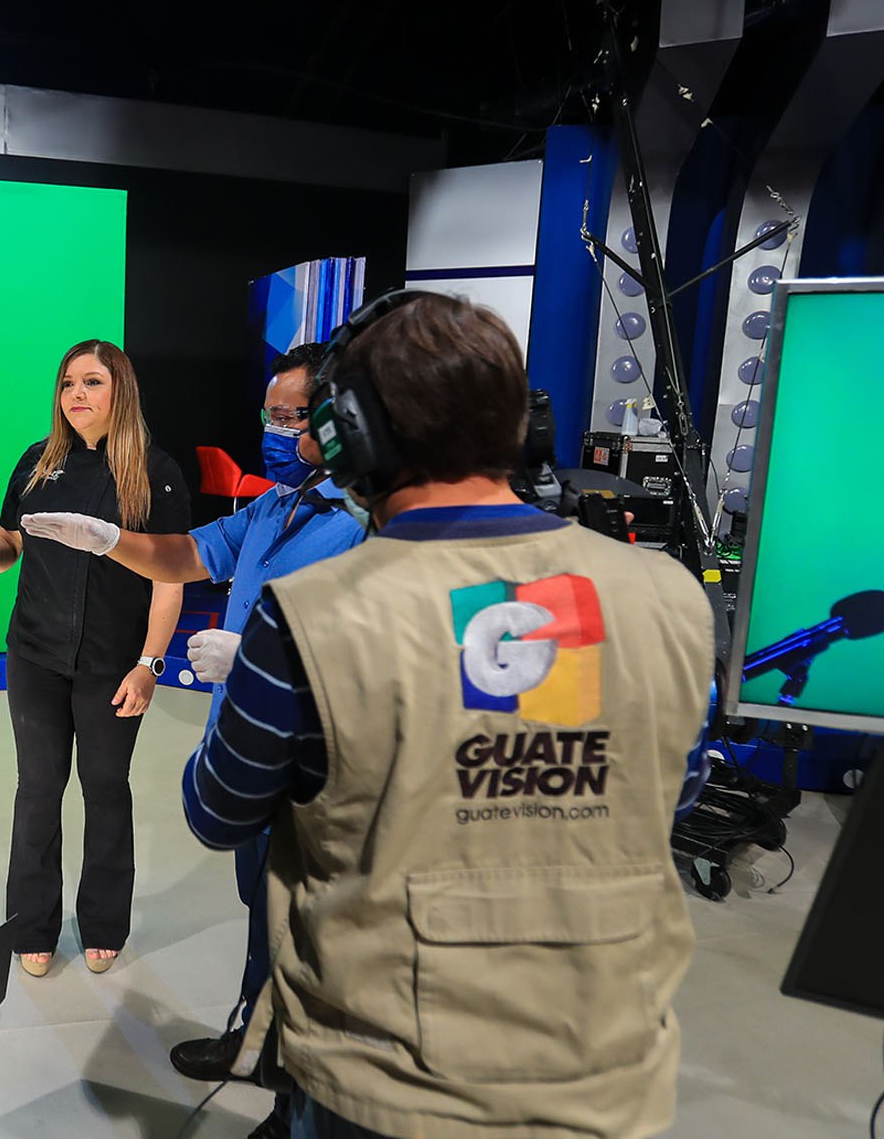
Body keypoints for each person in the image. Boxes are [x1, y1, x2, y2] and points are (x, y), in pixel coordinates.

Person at [182, 290, 713, 1139]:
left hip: (386, 1086)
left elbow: (218, 810)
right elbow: (670, 798)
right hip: (605, 1070)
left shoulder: (310, 615)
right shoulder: (669, 598)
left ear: (353, 432)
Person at [21, 342, 364, 1139]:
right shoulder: (280, 505)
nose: (277, 431)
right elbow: (189, 553)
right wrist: (110, 540)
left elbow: (395, 654)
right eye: (269, 415)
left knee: (317, 932)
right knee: (263, 911)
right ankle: (254, 1040)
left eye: (293, 417)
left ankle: (308, 1091)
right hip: (250, 751)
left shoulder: (371, 525)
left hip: (324, 767)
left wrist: (268, 660)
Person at [0, 340, 188, 978]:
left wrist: (150, 664)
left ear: (121, 392)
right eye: (68, 384)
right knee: (38, 789)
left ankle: (104, 923)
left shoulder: (155, 473)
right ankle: (32, 927)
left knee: (106, 790)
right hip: (34, 655)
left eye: (92, 383)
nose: (76, 395)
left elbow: (170, 578)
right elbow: (11, 539)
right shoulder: (37, 461)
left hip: (114, 664)